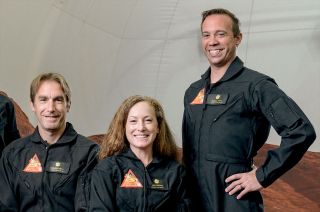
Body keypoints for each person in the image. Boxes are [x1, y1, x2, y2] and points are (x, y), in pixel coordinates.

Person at [182, 8, 316, 212]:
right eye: (206, 35)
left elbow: (301, 132)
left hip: (233, 198)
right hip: (194, 199)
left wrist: (262, 176)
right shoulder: (193, 91)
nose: (213, 41)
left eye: (221, 34)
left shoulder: (256, 86)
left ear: (237, 39)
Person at [0, 73, 99, 211]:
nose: (51, 108)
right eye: (43, 100)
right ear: (32, 105)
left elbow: (87, 208)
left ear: (68, 105)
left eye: (58, 100)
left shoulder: (89, 153)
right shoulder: (12, 153)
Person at [90, 95, 191, 212]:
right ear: (124, 127)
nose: (141, 127)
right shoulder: (107, 169)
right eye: (133, 121)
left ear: (158, 127)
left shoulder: (175, 172)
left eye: (148, 120)